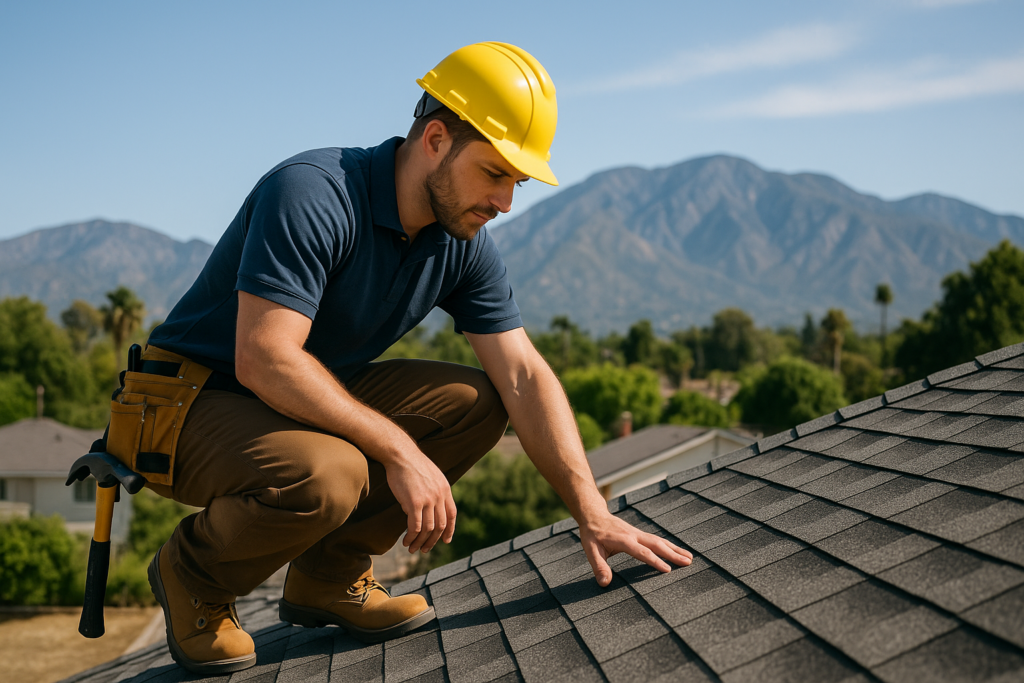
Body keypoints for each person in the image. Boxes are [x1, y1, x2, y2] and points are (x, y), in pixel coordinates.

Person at [124, 42, 692, 675]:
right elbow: (265, 358)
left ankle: (328, 578)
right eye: (495, 173)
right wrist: (401, 452)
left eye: (517, 183)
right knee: (331, 472)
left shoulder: (461, 244)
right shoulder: (314, 192)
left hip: (284, 405)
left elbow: (525, 375)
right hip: (183, 405)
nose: (505, 202)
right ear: (436, 138)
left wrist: (593, 514)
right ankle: (194, 573)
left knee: (478, 403)